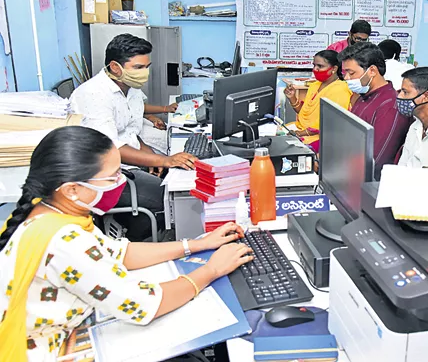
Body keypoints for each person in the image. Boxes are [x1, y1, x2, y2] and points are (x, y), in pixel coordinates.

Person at [0, 126, 253, 362]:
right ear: (72, 190)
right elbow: (142, 304)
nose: (121, 182)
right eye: (112, 178)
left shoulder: (48, 212)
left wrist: (196, 244)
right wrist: (213, 270)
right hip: (49, 351)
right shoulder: (64, 241)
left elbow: (120, 253)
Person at [70, 34, 197, 241]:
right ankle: (141, 243)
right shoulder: (94, 95)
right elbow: (111, 150)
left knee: (181, 182)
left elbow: (131, 128)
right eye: (138, 68)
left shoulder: (130, 88)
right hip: (105, 175)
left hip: (129, 163)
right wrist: (163, 159)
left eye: (147, 66)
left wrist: (150, 154)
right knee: (167, 197)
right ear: (115, 67)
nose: (145, 73)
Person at [339, 42, 410, 179]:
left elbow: (377, 160)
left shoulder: (390, 105)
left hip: (367, 182)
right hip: (348, 171)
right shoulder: (364, 97)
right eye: (345, 73)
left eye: (351, 72)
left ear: (372, 71)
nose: (346, 78)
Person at [283, 50, 352, 147]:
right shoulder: (315, 85)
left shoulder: (340, 89)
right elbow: (304, 113)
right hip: (300, 128)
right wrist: (292, 97)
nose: (315, 69)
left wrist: (300, 133)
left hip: (320, 137)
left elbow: (331, 124)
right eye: (314, 65)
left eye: (320, 66)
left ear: (334, 68)